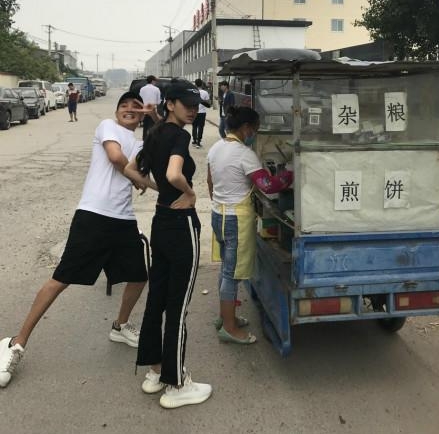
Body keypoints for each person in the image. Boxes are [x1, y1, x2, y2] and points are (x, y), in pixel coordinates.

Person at [0, 91, 158, 389]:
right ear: (116, 111)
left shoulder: (140, 143)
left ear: (142, 115)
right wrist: (139, 179)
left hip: (123, 220)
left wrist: (155, 117)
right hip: (93, 216)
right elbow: (115, 158)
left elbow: (158, 146)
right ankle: (16, 344)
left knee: (138, 276)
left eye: (135, 108)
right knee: (61, 279)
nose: (128, 110)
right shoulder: (107, 128)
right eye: (123, 106)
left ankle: (121, 326)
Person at [124, 80, 212, 410]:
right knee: (178, 303)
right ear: (170, 103)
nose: (192, 109)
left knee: (157, 299)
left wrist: (157, 188)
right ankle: (175, 384)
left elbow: (132, 170)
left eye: (195, 104)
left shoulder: (156, 133)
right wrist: (188, 193)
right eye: (185, 103)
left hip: (161, 222)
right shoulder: (179, 135)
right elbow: (176, 173)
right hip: (180, 224)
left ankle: (155, 370)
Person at [207, 106, 293, 345]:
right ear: (246, 128)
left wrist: (222, 199)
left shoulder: (216, 148)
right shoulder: (244, 154)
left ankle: (225, 316)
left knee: (226, 267)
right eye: (254, 129)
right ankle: (229, 327)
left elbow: (209, 181)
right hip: (235, 218)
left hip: (218, 214)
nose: (254, 134)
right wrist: (288, 176)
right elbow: (267, 185)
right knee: (232, 274)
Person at [139, 75, 162, 140]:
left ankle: (144, 139)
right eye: (155, 81)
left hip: (145, 111)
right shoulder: (156, 89)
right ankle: (152, 140)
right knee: (154, 126)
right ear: (152, 81)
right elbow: (158, 102)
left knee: (145, 126)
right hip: (153, 111)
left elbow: (140, 99)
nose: (155, 83)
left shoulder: (142, 89)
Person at [191, 78, 211, 148]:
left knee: (194, 126)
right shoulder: (205, 92)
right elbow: (208, 102)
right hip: (202, 113)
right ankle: (199, 141)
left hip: (194, 112)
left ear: (195, 84)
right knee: (201, 127)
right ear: (202, 84)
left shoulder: (193, 92)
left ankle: (194, 140)